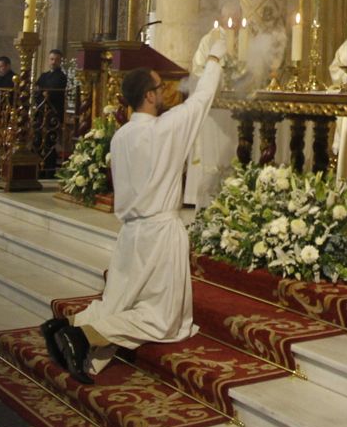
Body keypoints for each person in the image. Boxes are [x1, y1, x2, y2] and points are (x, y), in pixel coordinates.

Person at [42, 40, 226, 382]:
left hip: (129, 236)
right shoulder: (165, 130)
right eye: (161, 87)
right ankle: (82, 337)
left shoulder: (121, 136)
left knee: (120, 302)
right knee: (164, 319)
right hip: (160, 235)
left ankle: (65, 325)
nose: (166, 92)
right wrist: (215, 57)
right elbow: (202, 101)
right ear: (150, 96)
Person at [185, 6, 237, 206]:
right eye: (230, 13)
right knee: (215, 151)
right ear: (221, 16)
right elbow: (199, 69)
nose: (234, 17)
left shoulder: (245, 37)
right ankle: (209, 197)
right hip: (215, 108)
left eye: (237, 12)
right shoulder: (210, 40)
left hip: (235, 109)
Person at [35, 49, 69, 164]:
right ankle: (39, 166)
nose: (53, 62)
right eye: (52, 59)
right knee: (38, 140)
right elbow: (37, 91)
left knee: (50, 141)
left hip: (53, 113)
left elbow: (53, 92)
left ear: (60, 61)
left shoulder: (61, 77)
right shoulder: (44, 75)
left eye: (56, 60)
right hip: (41, 112)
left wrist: (44, 92)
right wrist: (42, 92)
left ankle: (49, 168)